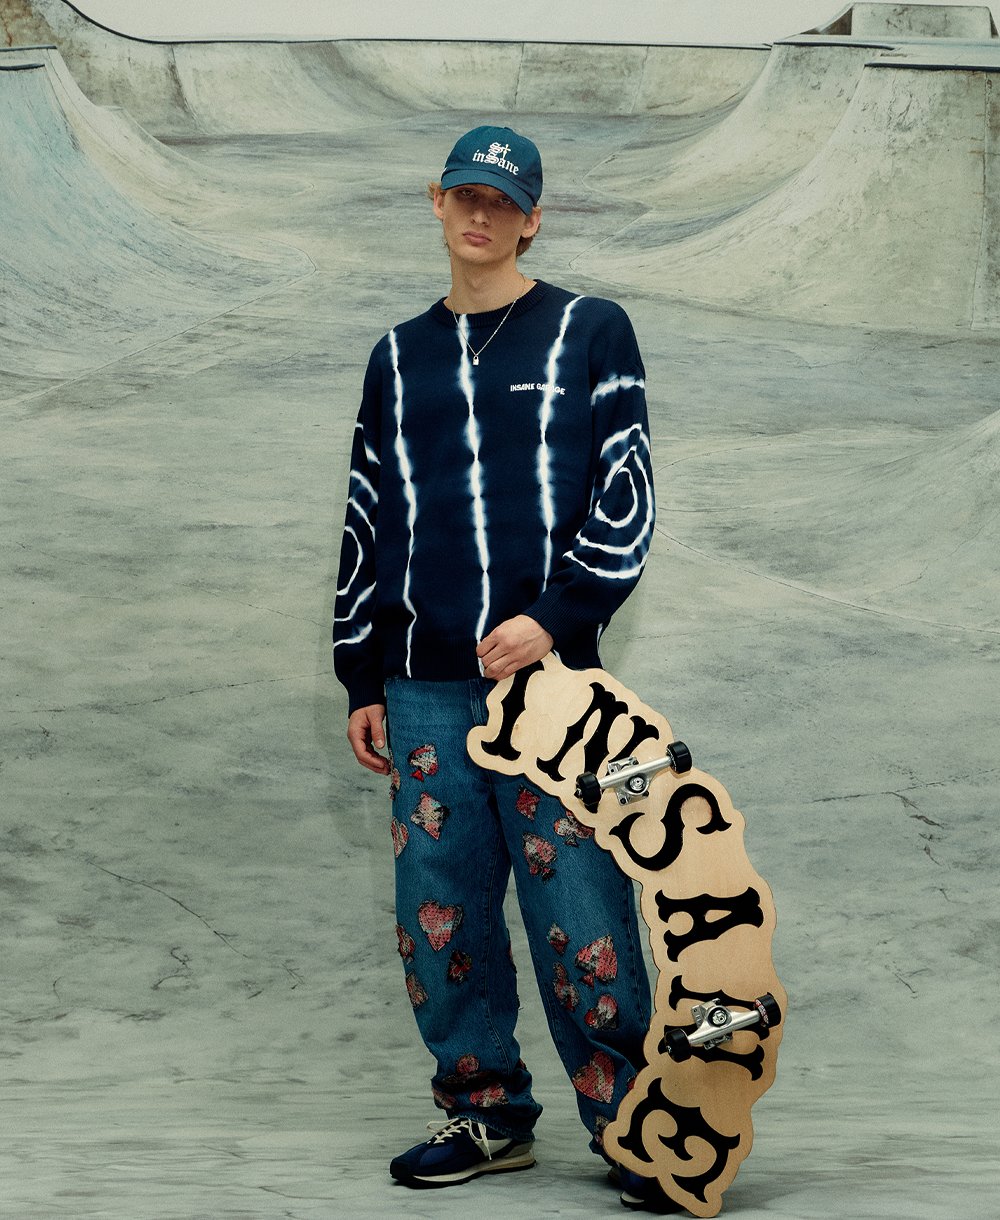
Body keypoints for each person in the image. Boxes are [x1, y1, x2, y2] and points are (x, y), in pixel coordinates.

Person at [333, 126, 676, 1212]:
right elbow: (367, 517)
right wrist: (361, 675)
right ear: (435, 202)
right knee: (441, 912)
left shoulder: (589, 329)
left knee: (581, 901)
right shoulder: (397, 356)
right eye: (464, 196)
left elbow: (628, 491)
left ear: (532, 218)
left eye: (502, 201)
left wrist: (554, 618)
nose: (480, 215)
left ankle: (634, 1125)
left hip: (554, 688)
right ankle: (483, 1112)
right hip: (424, 687)